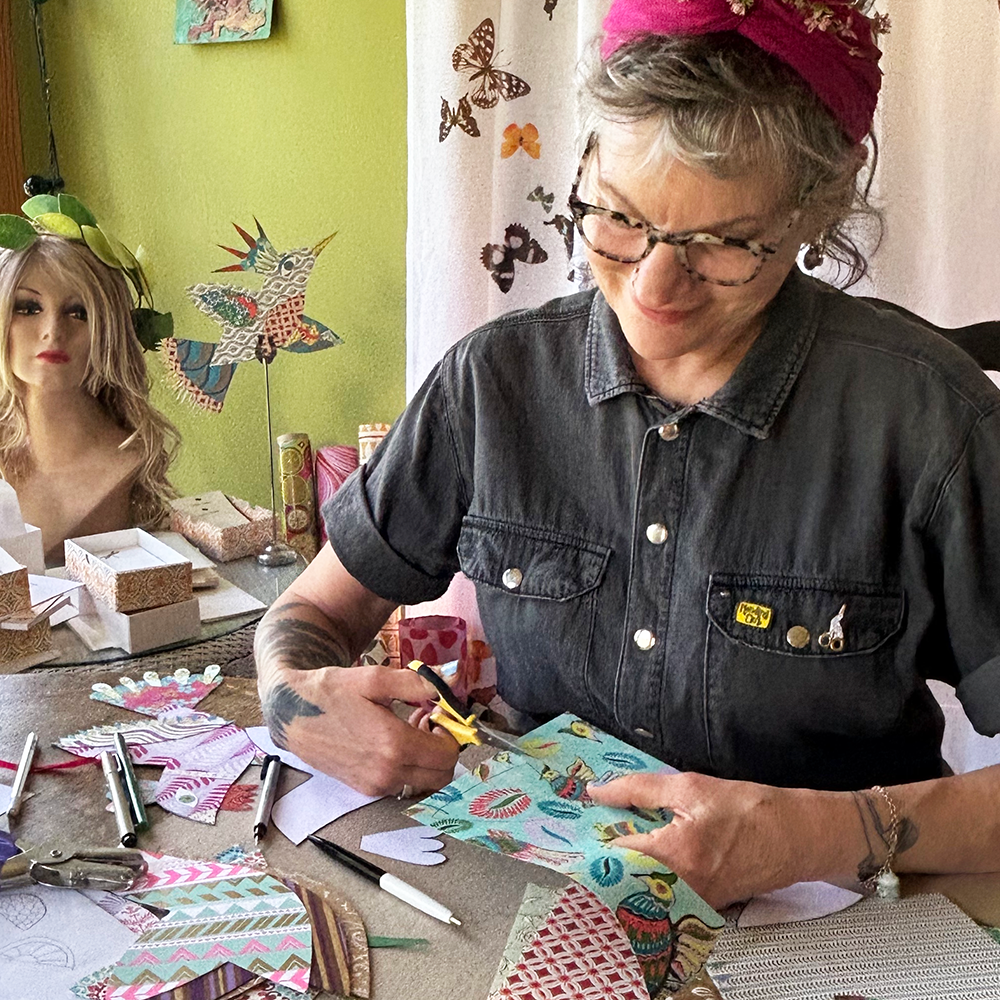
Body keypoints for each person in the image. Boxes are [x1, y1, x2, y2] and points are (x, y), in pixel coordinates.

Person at [254, 0, 1000, 909]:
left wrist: (821, 833)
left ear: (817, 207)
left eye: (724, 245)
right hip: (536, 901)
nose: (652, 288)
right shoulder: (494, 382)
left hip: (842, 927)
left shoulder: (932, 420)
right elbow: (308, 613)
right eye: (616, 218)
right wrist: (293, 700)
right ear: (584, 167)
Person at [0, 223, 179, 565]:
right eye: (29, 308)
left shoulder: (127, 460)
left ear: (108, 330)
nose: (53, 331)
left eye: (78, 312)